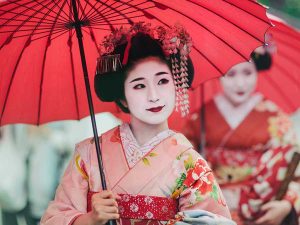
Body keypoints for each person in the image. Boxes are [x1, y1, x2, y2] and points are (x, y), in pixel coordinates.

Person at [40, 23, 236, 225]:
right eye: (139, 86)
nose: (153, 96)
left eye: (162, 81)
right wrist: (90, 219)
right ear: (122, 97)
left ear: (176, 85)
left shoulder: (191, 164)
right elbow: (52, 220)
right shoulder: (89, 154)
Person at [181, 47, 300, 225]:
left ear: (257, 72)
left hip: (259, 207)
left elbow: (293, 167)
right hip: (212, 206)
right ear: (220, 75)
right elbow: (183, 164)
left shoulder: (274, 117)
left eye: (247, 72)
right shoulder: (201, 117)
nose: (240, 83)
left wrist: (286, 204)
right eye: (231, 74)